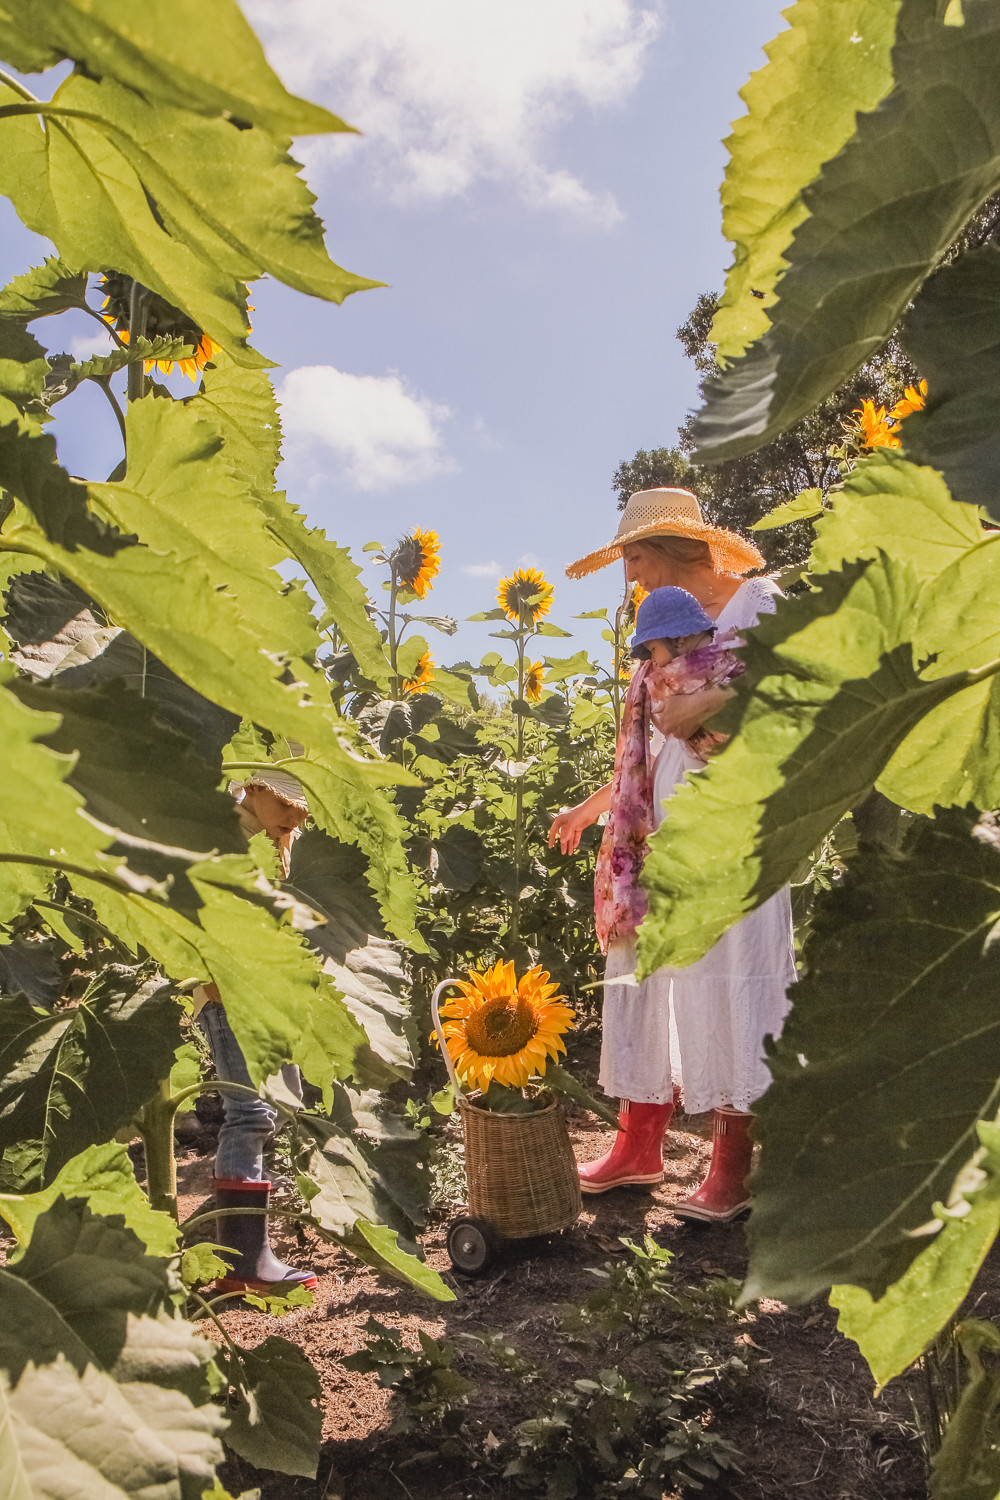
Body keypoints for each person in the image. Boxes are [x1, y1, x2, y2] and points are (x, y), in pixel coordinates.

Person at [549, 488, 797, 1222]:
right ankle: (638, 1147)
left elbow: (803, 695)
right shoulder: (661, 622)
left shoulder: (759, 604)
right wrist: (595, 805)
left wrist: (712, 707)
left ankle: (732, 1168)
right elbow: (654, 739)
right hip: (652, 825)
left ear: (674, 549)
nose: (630, 577)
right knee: (645, 975)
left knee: (732, 970)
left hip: (736, 814)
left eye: (634, 558)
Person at [193, 767, 317, 1293]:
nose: (295, 816)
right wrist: (215, 978)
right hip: (226, 991)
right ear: (255, 788)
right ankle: (243, 1262)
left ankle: (237, 1248)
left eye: (304, 810)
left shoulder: (268, 838)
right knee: (250, 1113)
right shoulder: (222, 835)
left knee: (269, 1109)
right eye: (287, 803)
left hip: (259, 989)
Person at [632, 585, 745, 760]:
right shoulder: (738, 651)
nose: (652, 660)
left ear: (678, 638)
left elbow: (672, 725)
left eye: (653, 649)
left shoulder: (679, 680)